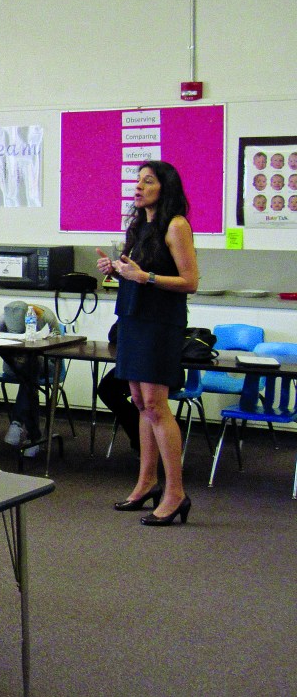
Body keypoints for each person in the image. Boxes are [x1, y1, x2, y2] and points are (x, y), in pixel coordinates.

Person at [96, 160, 199, 526]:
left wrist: (145, 275)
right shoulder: (140, 226)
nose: (138, 187)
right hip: (133, 319)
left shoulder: (177, 225)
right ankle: (146, 483)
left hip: (160, 324)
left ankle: (176, 492)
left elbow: (189, 281)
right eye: (137, 181)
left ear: (164, 187)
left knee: (156, 404)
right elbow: (136, 275)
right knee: (139, 401)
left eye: (148, 181)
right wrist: (118, 271)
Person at [0, 300, 56, 458]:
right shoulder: (2, 321)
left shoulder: (46, 317)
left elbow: (58, 348)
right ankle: (34, 436)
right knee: (29, 380)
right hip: (13, 362)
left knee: (31, 368)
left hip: (45, 363)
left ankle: (17, 422)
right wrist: (16, 363)